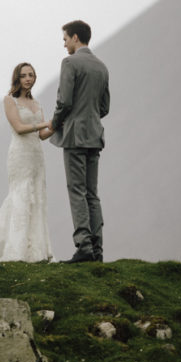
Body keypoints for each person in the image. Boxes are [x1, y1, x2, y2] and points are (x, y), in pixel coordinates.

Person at [0, 62, 55, 262]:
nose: (28, 78)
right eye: (24, 75)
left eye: (31, 75)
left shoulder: (38, 104)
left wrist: (55, 125)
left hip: (36, 155)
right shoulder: (10, 100)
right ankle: (15, 249)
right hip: (20, 154)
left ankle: (36, 251)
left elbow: (41, 135)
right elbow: (19, 128)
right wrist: (45, 123)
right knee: (20, 195)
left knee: (36, 196)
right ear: (17, 78)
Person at [48, 20, 110, 263]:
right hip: (95, 136)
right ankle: (97, 249)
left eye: (65, 39)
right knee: (92, 193)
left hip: (75, 136)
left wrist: (54, 124)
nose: (64, 45)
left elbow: (64, 101)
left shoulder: (70, 63)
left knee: (76, 190)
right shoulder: (102, 67)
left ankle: (83, 245)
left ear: (75, 37)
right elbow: (104, 106)